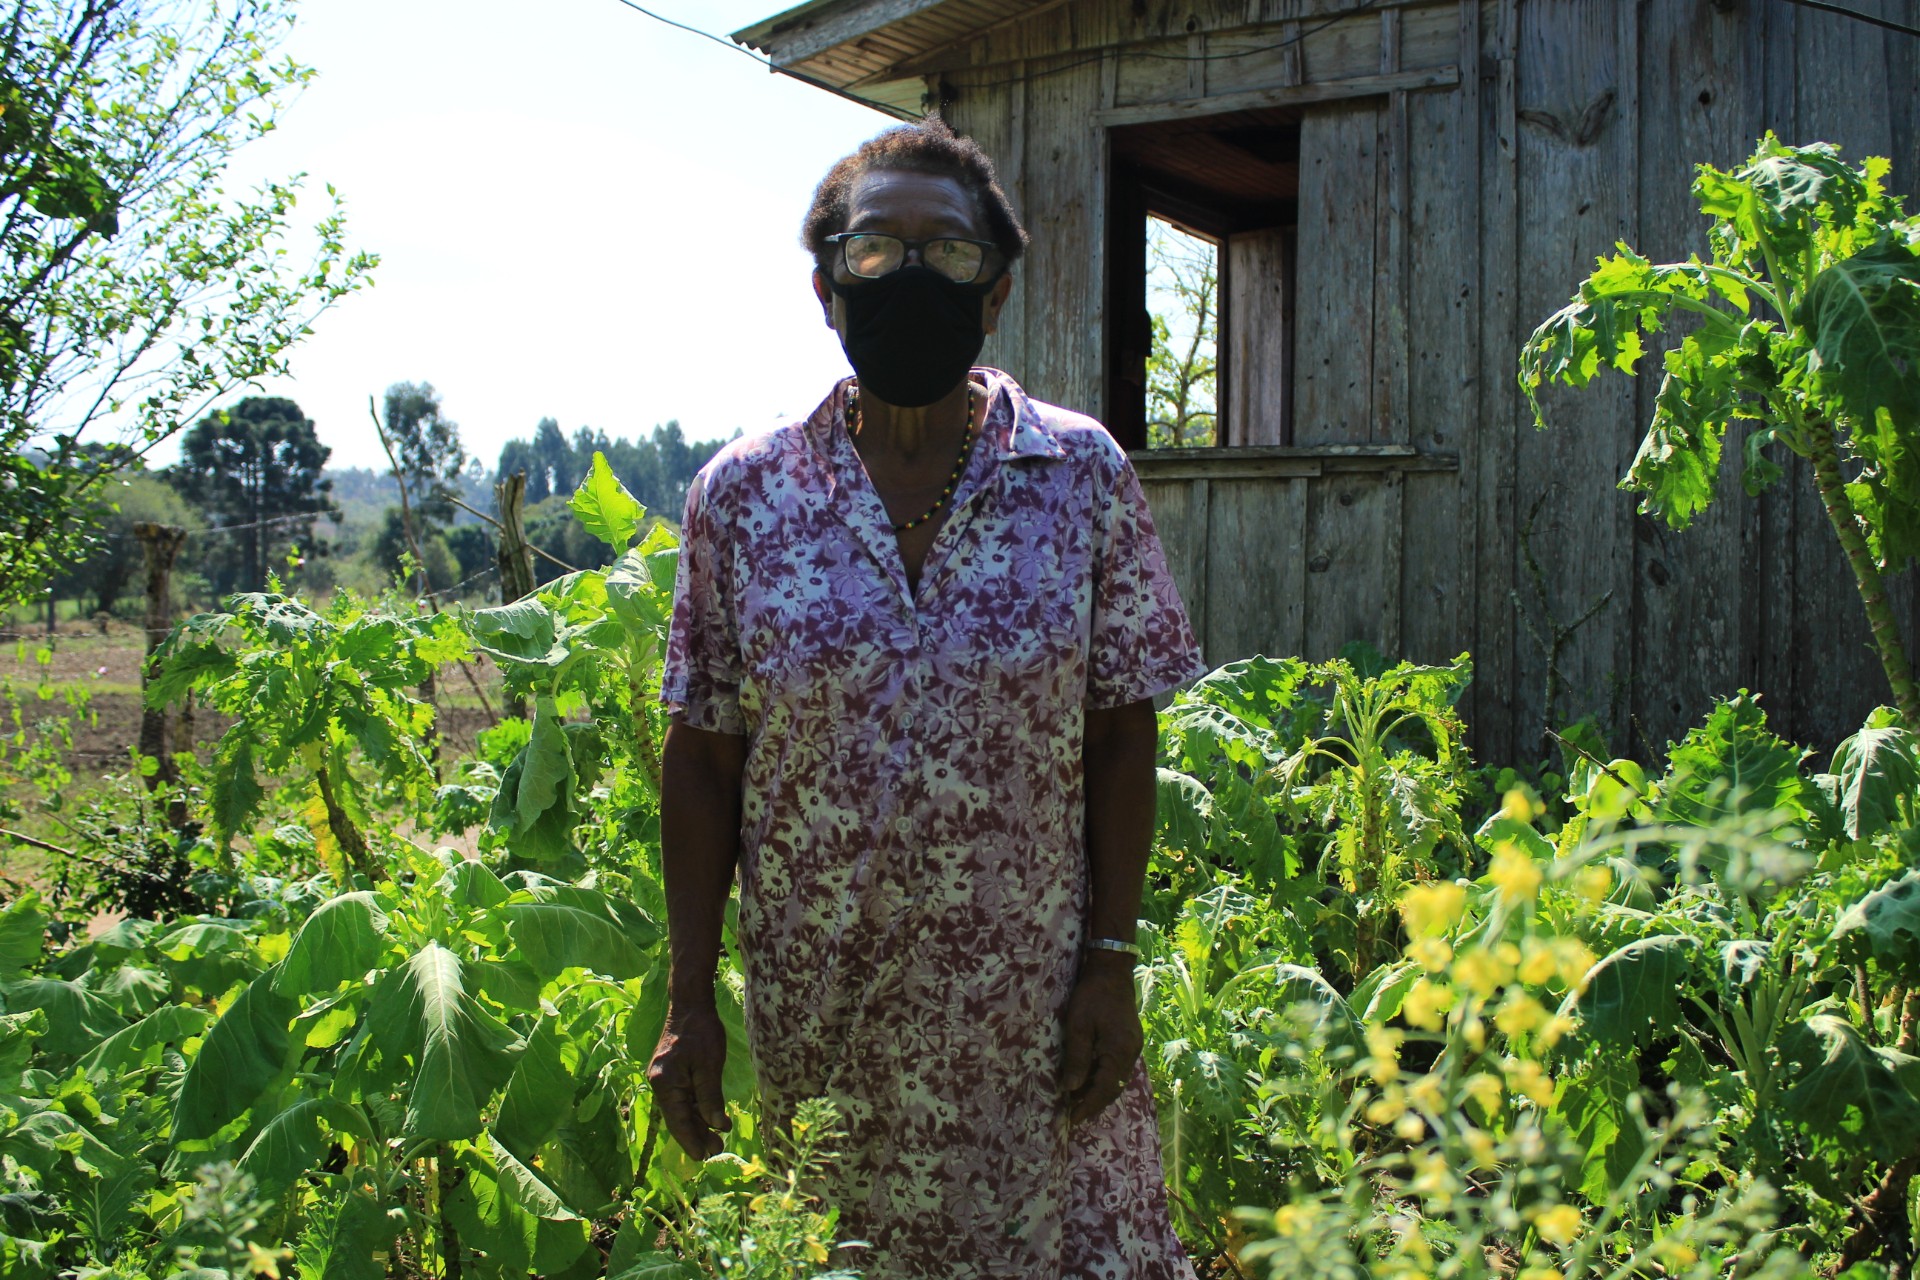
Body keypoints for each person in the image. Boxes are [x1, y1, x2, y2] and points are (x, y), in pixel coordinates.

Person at [648, 117, 1206, 1280]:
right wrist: (687, 995)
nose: (911, 277)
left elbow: (1119, 727)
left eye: (947, 255)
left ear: (994, 293)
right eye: (874, 253)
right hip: (827, 1011)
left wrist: (1110, 960)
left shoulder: (1080, 475)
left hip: (1030, 1013)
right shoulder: (743, 498)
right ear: (824, 287)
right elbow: (703, 753)